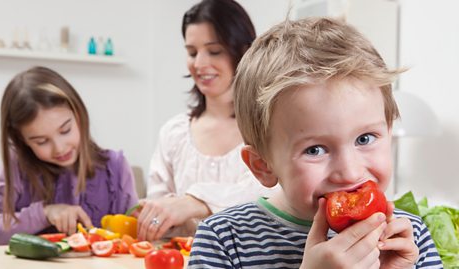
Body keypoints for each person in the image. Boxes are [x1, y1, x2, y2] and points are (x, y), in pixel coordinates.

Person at [188, 17, 443, 268]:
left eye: (364, 138)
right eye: (315, 150)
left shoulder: (411, 236)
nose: (350, 172)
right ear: (263, 165)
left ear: (388, 133)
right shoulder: (223, 240)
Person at [134, 0, 276, 241]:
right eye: (192, 52)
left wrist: (195, 201)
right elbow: (158, 208)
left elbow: (270, 198)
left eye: (214, 51)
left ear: (243, 52)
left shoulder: (270, 127)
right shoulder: (174, 132)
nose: (199, 64)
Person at [0, 66, 139, 246]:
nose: (59, 148)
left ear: (78, 115)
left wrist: (154, 221)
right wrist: (45, 213)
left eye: (65, 130)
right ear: (22, 140)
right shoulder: (18, 166)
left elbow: (135, 237)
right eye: (41, 141)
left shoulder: (115, 167)